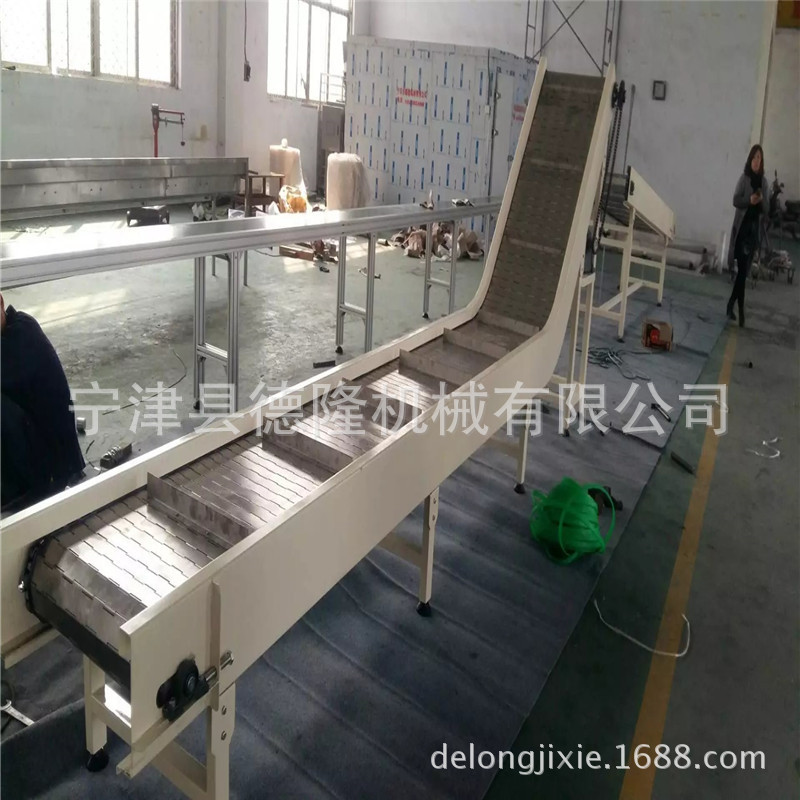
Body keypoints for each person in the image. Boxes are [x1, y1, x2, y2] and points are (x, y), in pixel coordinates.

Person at [1, 293, 85, 513]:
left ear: (0, 302)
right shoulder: (15, 327)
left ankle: (18, 489)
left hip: (53, 468)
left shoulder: (21, 335)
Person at [726, 144, 769, 327]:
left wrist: (761, 201)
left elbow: (767, 209)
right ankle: (740, 311)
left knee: (743, 272)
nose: (756, 161)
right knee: (743, 271)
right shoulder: (744, 179)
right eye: (754, 157)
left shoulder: (764, 183)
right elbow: (736, 200)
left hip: (753, 232)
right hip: (742, 230)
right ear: (750, 160)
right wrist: (749, 201)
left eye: (759, 158)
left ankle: (731, 304)